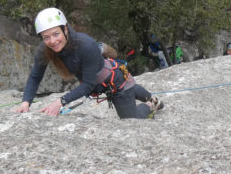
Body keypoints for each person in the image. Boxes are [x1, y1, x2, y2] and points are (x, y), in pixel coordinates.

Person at [14, 7, 163, 119]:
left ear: (65, 29)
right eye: (46, 37)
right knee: (129, 87)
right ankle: (154, 99)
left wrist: (61, 102)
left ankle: (150, 104)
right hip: (103, 82)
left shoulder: (85, 44)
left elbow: (88, 84)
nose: (52, 41)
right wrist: (26, 102)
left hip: (114, 82)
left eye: (56, 34)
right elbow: (35, 76)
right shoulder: (44, 49)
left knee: (131, 119)